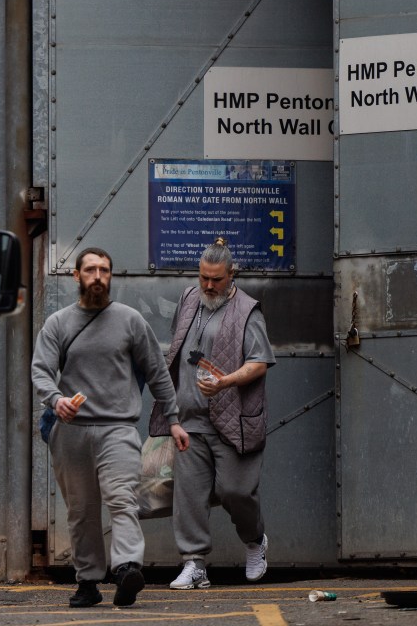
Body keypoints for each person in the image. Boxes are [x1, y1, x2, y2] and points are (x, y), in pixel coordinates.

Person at [31, 247, 188, 608]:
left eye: (104, 270)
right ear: (76, 276)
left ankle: (127, 568)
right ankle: (88, 581)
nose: (98, 276)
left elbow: (157, 372)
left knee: (123, 500)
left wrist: (175, 421)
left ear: (110, 275)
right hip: (71, 432)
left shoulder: (131, 321)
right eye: (90, 270)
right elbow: (41, 370)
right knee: (81, 511)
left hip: (117, 429)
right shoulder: (58, 324)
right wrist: (56, 400)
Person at [149, 238, 276, 590]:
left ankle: (254, 541)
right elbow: (182, 347)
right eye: (203, 277)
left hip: (232, 420)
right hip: (190, 418)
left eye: (216, 279)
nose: (208, 285)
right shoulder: (190, 298)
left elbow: (260, 362)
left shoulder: (248, 311)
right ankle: (194, 564)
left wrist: (225, 382)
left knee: (236, 491)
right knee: (188, 496)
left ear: (231, 275)